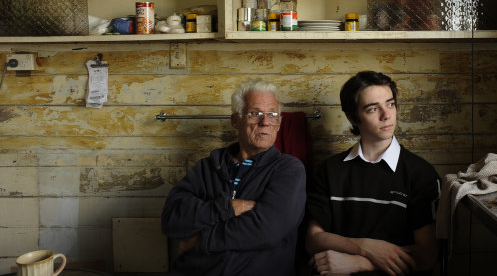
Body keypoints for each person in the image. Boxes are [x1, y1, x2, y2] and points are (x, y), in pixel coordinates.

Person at [161, 79, 307, 276]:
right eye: (255, 114)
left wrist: (199, 240)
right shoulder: (207, 167)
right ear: (236, 120)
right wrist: (227, 208)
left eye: (272, 115)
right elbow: (172, 219)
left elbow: (266, 230)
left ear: (279, 124)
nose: (265, 122)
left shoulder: (288, 169)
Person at [306, 71, 441, 276]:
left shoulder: (420, 173)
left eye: (390, 104)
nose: (386, 115)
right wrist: (364, 247)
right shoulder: (330, 170)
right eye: (372, 109)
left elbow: (428, 255)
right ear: (353, 117)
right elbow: (313, 239)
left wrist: (362, 263)